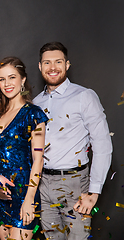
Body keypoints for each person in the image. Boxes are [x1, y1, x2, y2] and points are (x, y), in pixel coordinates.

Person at [33, 42, 112, 239]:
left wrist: (94, 192)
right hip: (42, 184)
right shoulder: (35, 103)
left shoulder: (84, 96)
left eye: (58, 62)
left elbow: (102, 145)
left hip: (75, 184)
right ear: (40, 66)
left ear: (67, 65)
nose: (52, 68)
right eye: (47, 63)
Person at [0, 57, 48, 240]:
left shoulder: (34, 114)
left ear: (22, 80)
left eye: (12, 77)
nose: (7, 84)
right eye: (2, 79)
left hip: (24, 192)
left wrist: (29, 199)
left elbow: (38, 159)